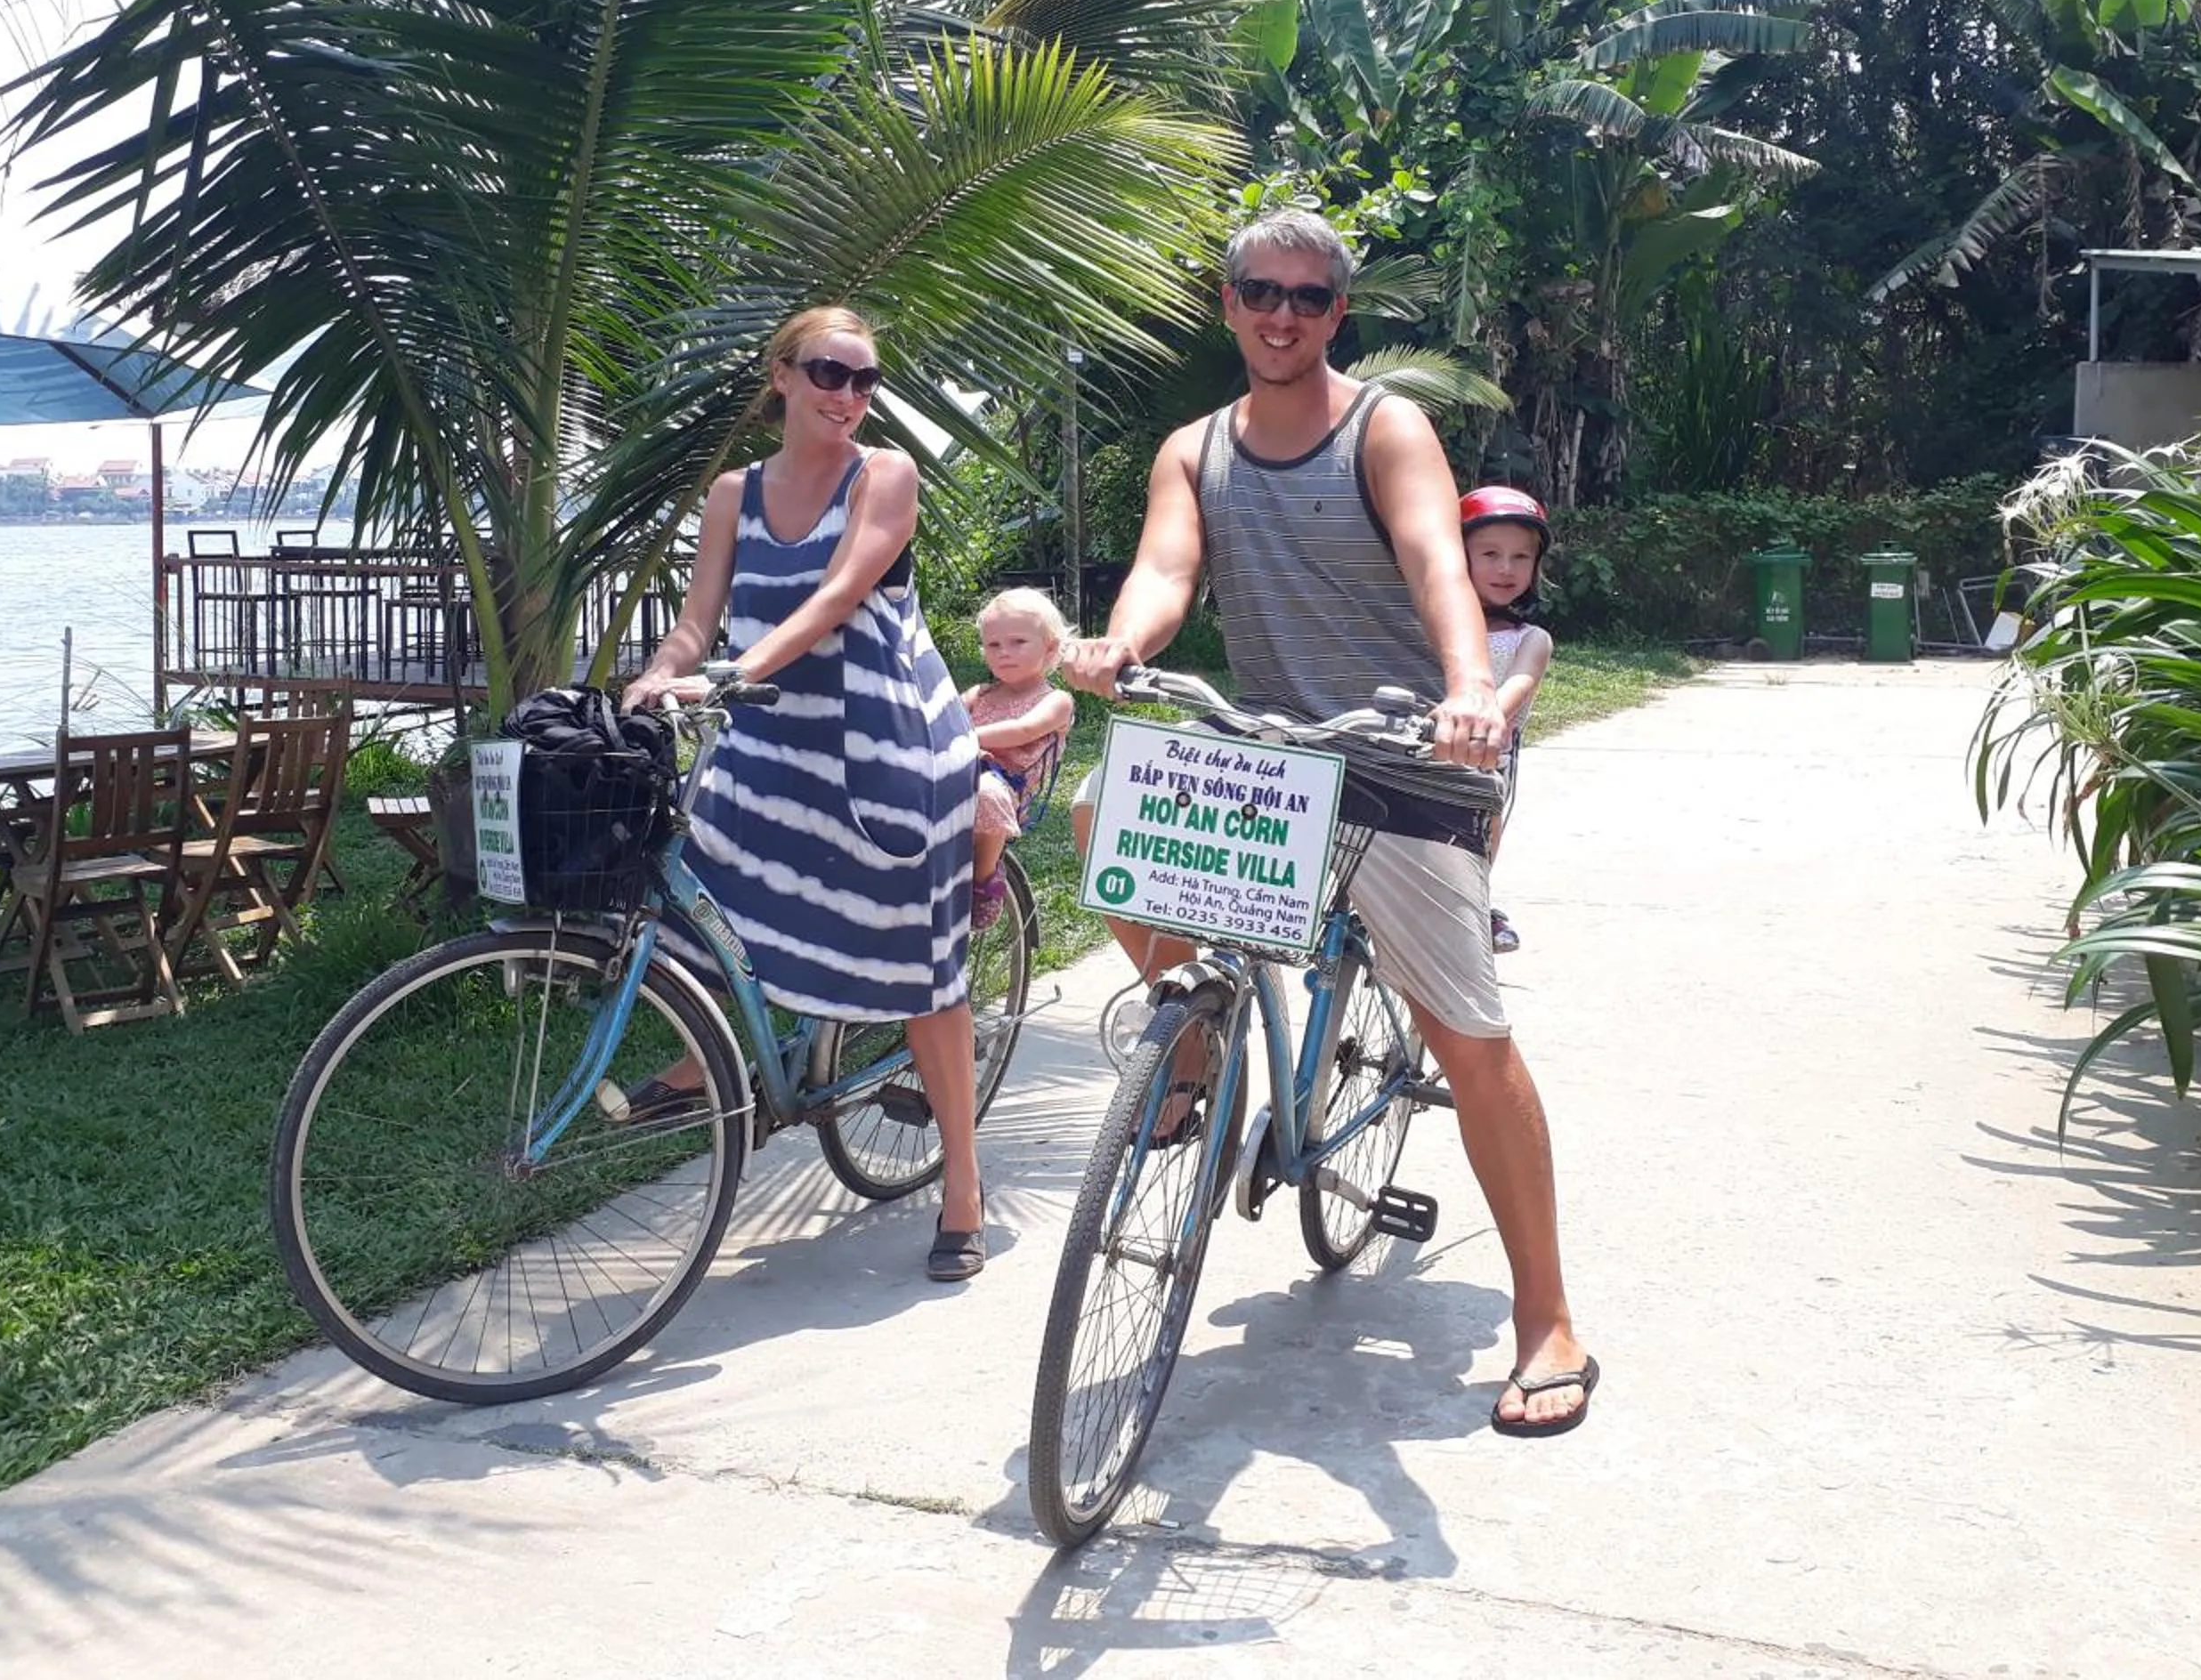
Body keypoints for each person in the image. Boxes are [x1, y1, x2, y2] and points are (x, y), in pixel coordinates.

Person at [1065, 208, 1597, 1434]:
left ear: (1336, 315)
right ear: (1229, 298)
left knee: (1465, 1036)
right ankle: (1195, 1047)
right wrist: (1122, 641)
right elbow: (1166, 566)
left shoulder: (1384, 426)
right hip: (1270, 755)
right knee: (1103, 820)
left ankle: (1548, 1317)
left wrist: (1470, 689)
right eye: (1264, 290)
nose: (1284, 314)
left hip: (1406, 751)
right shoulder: (1193, 447)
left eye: (1310, 297)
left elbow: (1433, 563)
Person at [621, 307, 988, 1281]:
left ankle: (963, 1188)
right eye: (829, 373)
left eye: (865, 382)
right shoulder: (732, 495)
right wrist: (662, 673)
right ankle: (715, 1059)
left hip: (884, 740)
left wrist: (734, 677)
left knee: (922, 974)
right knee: (706, 884)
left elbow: (837, 595)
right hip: (771, 737)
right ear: (781, 376)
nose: (847, 397)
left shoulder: (887, 475)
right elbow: (698, 620)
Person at [1461, 485, 1555, 956]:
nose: (1505, 568)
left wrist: (1486, 715)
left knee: (1479, 830)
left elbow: (1517, 688)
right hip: (1412, 750)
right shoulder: (1429, 625)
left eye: (1521, 557)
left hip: (1485, 760)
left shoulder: (1531, 639)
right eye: (1490, 553)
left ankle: (1478, 902)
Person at [963, 587, 1076, 931]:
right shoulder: (979, 694)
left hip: (1007, 786)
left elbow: (1023, 729)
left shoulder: (1056, 700)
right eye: (994, 645)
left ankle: (985, 882)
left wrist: (965, 738)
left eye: (1017, 642)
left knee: (988, 793)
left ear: (1051, 647)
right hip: (960, 767)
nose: (1004, 653)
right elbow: (944, 717)